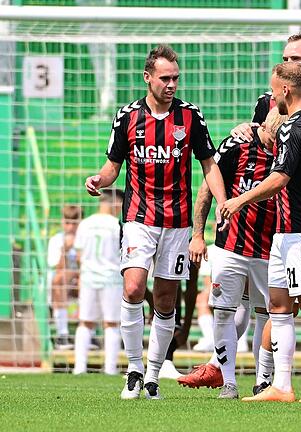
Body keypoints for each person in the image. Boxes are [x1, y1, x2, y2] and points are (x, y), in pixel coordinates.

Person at [84, 44, 228, 400]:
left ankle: (152, 375)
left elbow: (209, 164)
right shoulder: (127, 116)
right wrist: (100, 181)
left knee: (165, 300)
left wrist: (224, 202)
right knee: (133, 288)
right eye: (165, 78)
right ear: (148, 78)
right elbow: (113, 166)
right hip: (139, 217)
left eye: (176, 78)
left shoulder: (191, 117)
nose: (171, 84)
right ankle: (133, 369)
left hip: (177, 223)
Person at [220, 62, 301, 403]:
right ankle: (281, 386)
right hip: (286, 231)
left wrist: (240, 200)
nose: (272, 96)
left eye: (275, 90)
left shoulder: (293, 127)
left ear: (286, 91)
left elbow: (280, 178)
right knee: (278, 305)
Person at [177, 108, 287, 399]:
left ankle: (263, 381)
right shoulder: (235, 146)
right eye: (271, 137)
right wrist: (198, 235)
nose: (274, 144)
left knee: (270, 313)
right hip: (230, 246)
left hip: (270, 248)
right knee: (224, 311)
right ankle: (228, 382)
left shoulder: (289, 148)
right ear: (262, 127)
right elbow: (206, 190)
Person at [72, 190, 123, 375]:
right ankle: (110, 369)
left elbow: (78, 255)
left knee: (85, 322)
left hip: (88, 278)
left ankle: (79, 368)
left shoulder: (85, 224)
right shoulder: (116, 225)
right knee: (111, 323)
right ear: (115, 203)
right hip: (111, 279)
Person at [49, 205, 82, 350]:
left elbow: (88, 267)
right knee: (59, 280)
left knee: (85, 280)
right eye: (68, 223)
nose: (71, 227)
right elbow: (57, 269)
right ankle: (62, 335)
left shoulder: (86, 238)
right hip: (64, 284)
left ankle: (91, 334)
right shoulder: (56, 240)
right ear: (62, 222)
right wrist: (65, 250)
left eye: (75, 223)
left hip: (84, 281)